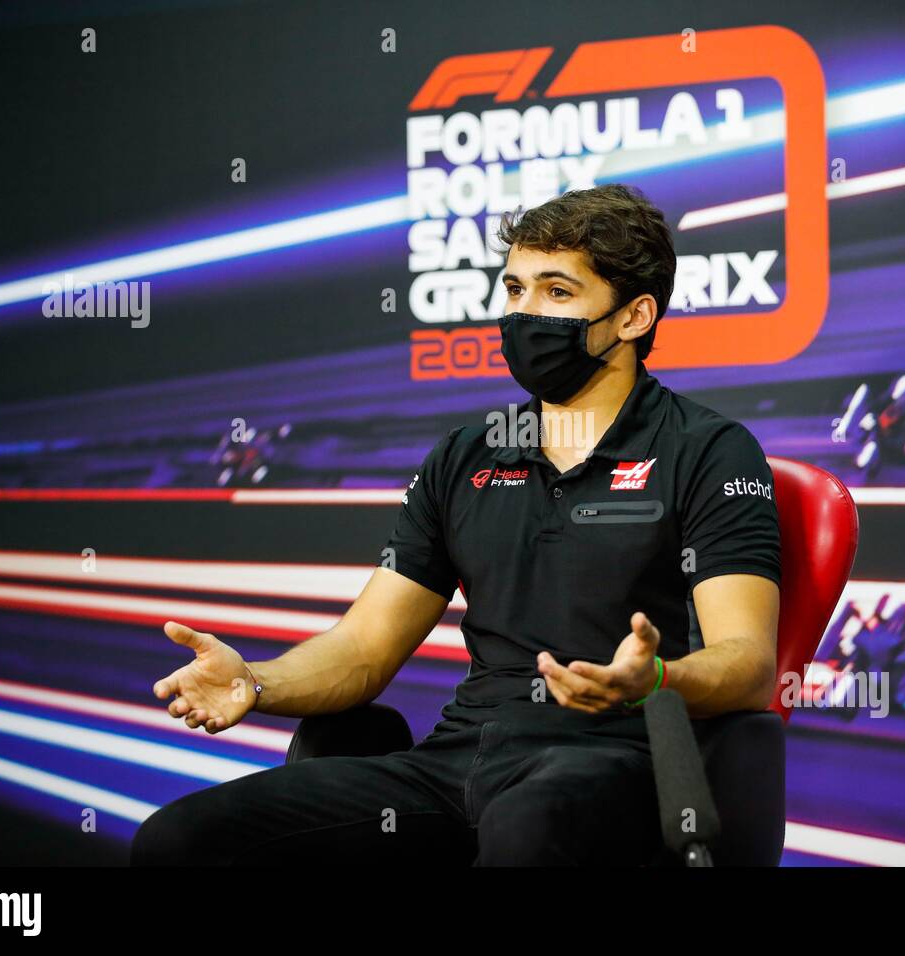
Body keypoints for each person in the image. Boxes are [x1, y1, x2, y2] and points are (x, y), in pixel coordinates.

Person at [130, 183, 781, 866]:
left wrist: (655, 681)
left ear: (633, 317)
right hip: (456, 762)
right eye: (515, 289)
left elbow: (748, 663)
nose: (525, 313)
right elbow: (363, 648)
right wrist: (256, 683)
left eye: (557, 293)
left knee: (528, 829)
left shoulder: (707, 449)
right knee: (179, 842)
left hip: (615, 758)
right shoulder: (466, 456)